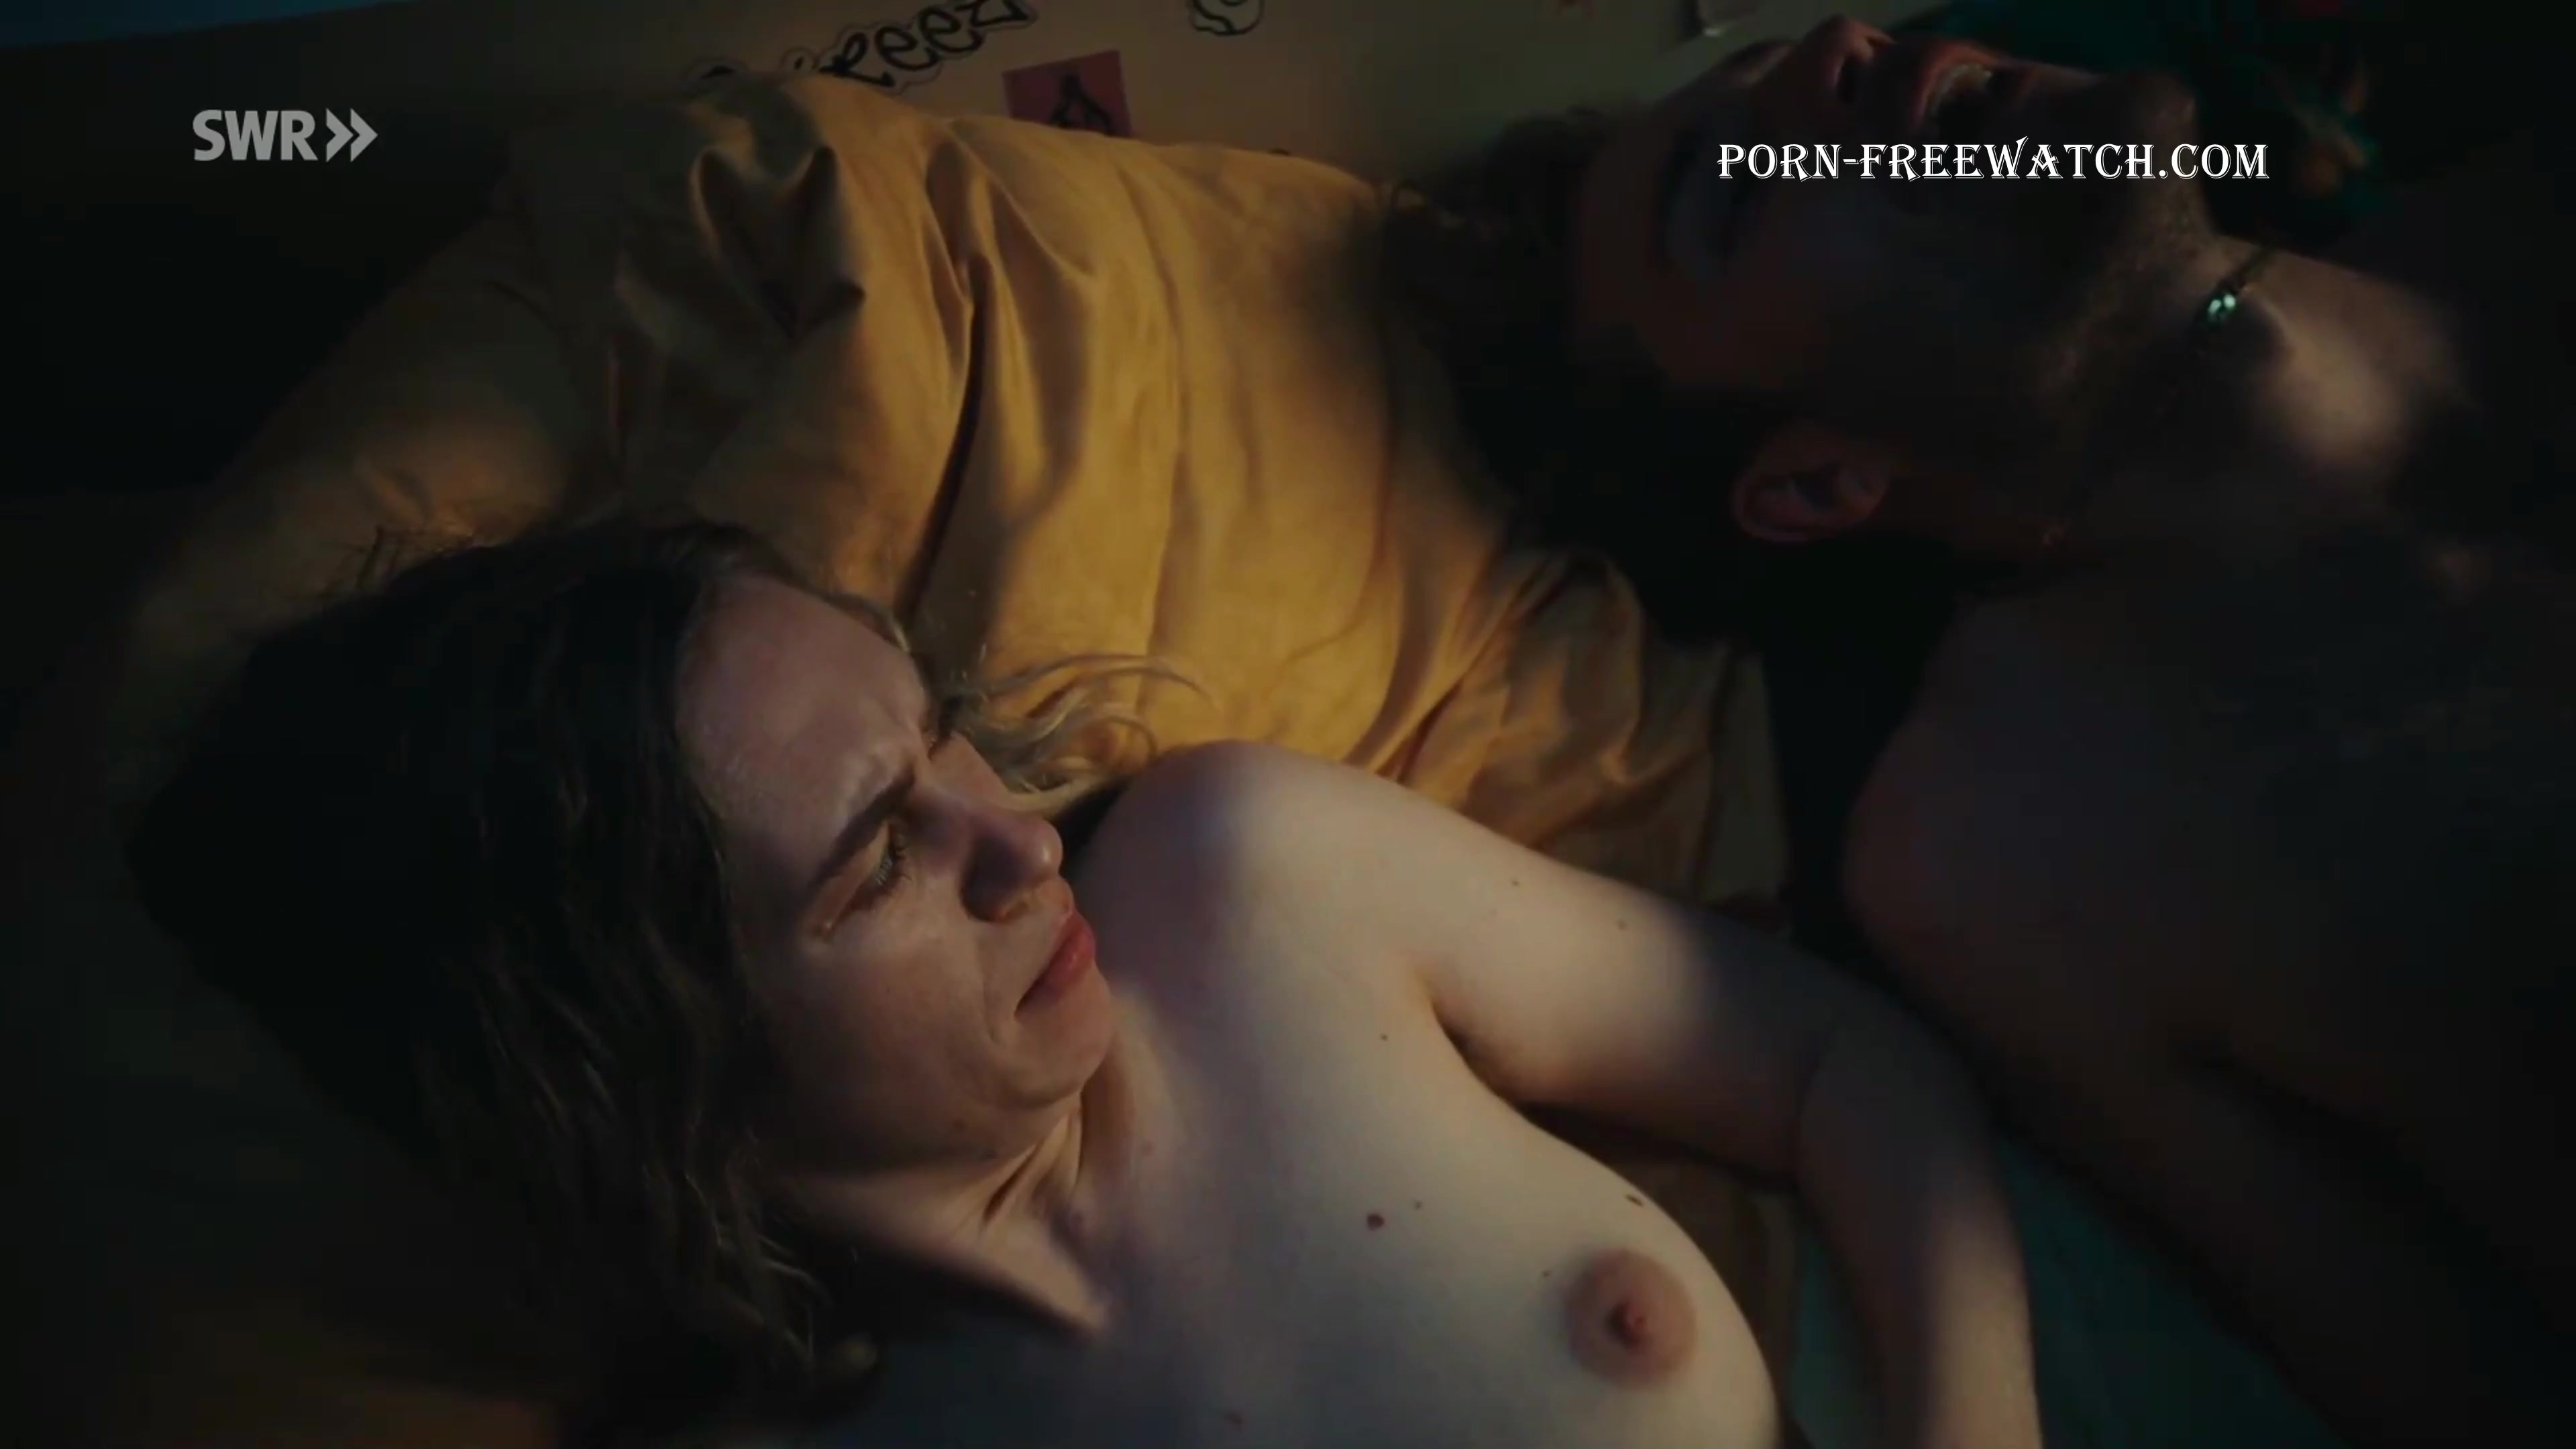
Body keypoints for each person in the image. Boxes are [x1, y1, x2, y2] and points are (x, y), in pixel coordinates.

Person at [125, 518, 2043, 1449]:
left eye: (939, 732)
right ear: (659, 1066)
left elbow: (1836, 1067)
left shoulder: (1249, 881)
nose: (1021, 843)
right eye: (882, 858)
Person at [1386, 13, 2573, 1448]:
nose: (1842, 45)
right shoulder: (2008, 844)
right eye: (1728, 191)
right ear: (1815, 484)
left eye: (1784, 45)